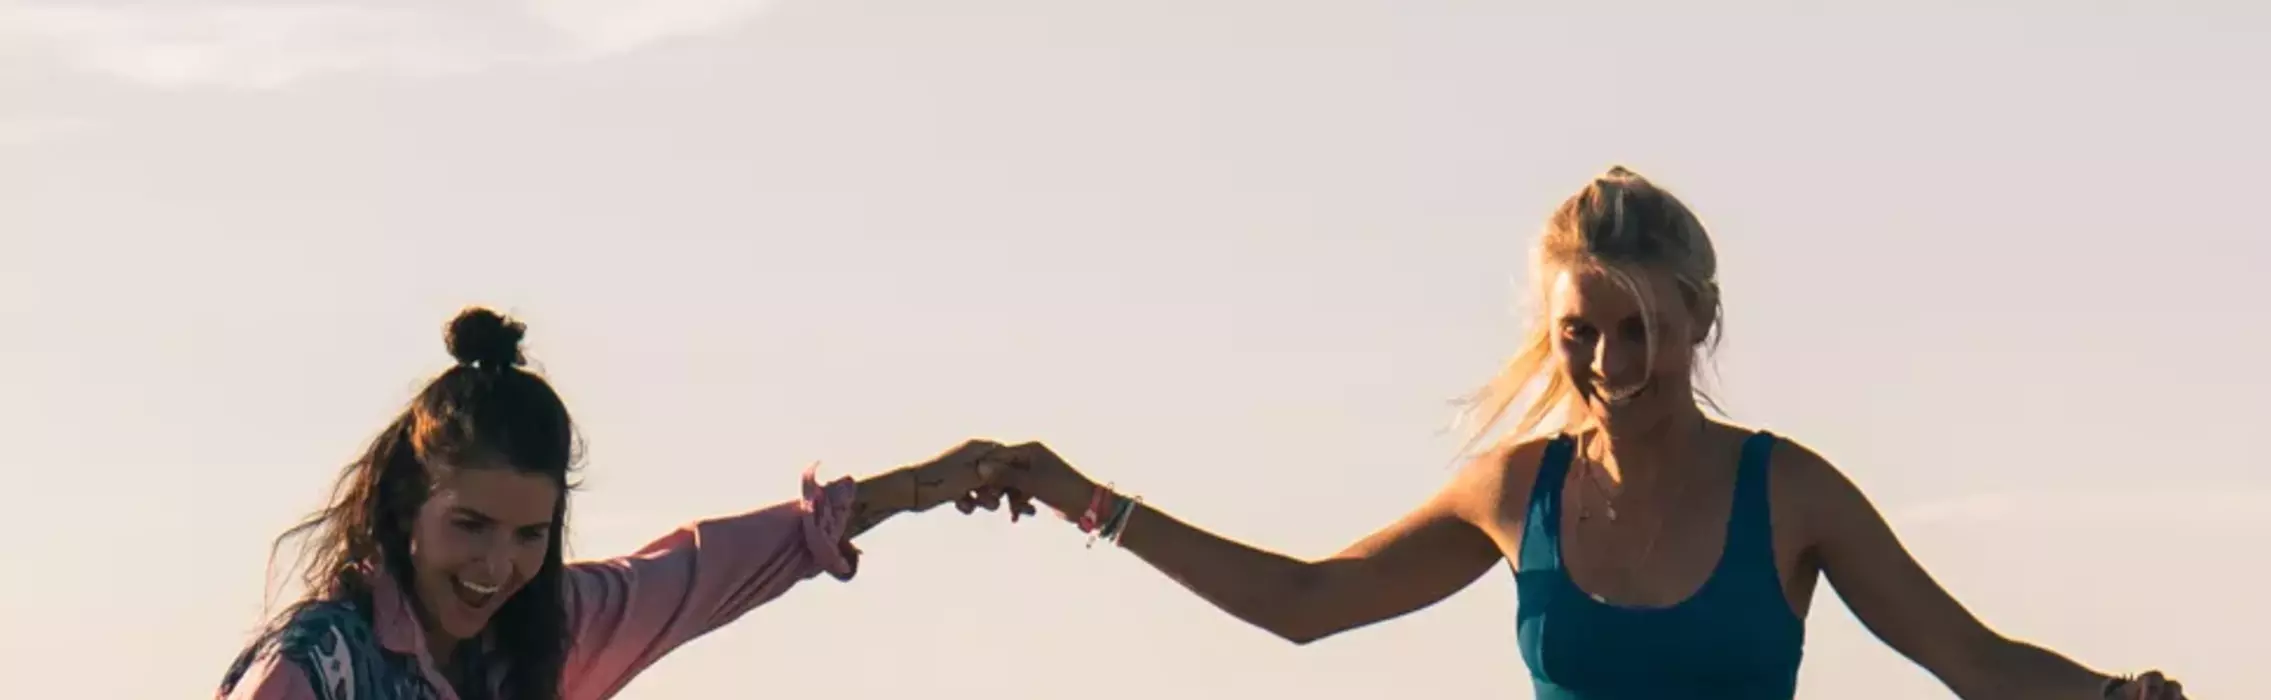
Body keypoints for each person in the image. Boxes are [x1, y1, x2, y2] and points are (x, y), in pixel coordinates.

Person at [966, 166, 2189, 700]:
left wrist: (2124, 696)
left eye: (1637, 329)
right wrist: (1087, 498)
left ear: (1699, 318)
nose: (1607, 365)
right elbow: (1304, 600)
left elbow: (1974, 664)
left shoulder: (1791, 494)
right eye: (1578, 333)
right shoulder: (1516, 491)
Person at [218, 307, 1000, 700]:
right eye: (470, 526)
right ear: (402, 507)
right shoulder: (318, 669)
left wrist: (929, 485)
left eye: (530, 534)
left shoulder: (544, 634)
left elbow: (715, 566)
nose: (497, 567)